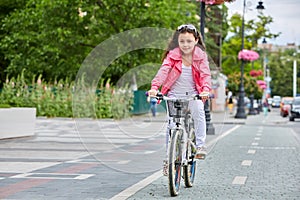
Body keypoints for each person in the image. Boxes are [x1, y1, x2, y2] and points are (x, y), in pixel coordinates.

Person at [147, 24, 211, 175]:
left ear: (196, 41)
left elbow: (205, 74)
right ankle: (169, 160)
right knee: (171, 126)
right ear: (178, 41)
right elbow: (163, 71)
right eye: (182, 41)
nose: (185, 45)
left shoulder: (200, 56)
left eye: (189, 41)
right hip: (174, 94)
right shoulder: (172, 55)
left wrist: (206, 89)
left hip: (194, 94)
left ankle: (200, 146)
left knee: (199, 113)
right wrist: (155, 87)